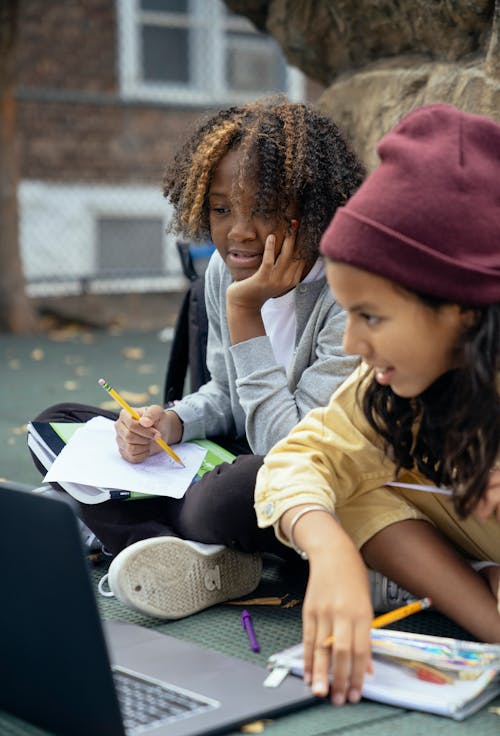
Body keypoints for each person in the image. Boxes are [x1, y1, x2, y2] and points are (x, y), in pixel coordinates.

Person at [32, 95, 369, 618]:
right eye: (221, 208)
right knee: (57, 425)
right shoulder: (221, 271)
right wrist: (169, 422)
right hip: (232, 456)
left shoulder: (345, 292)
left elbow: (292, 450)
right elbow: (223, 394)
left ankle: (104, 518)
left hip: (304, 482)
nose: (240, 231)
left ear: (308, 205)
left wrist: (246, 314)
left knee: (234, 490)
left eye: (263, 207)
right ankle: (185, 552)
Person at [254, 103, 500, 708]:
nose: (350, 343)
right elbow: (294, 460)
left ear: (462, 308)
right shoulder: (388, 387)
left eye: (370, 317)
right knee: (346, 487)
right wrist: (330, 550)